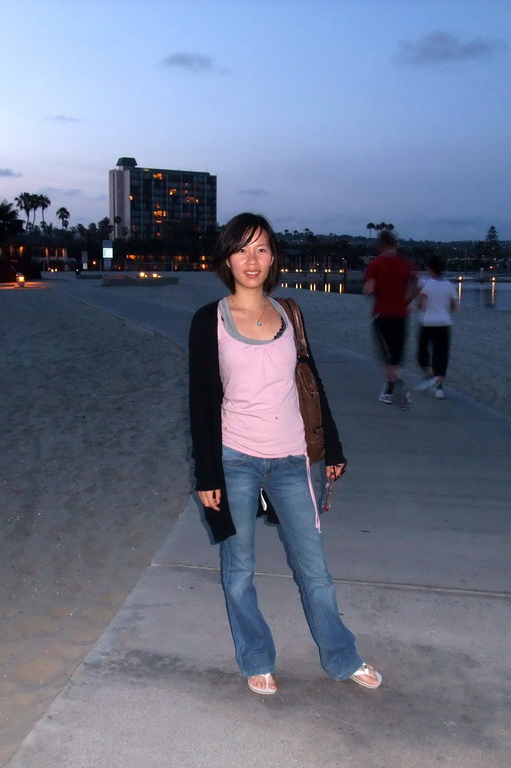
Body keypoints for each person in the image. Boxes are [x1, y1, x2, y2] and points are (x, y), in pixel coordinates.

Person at [188, 212, 381, 695]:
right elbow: (202, 402)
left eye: (261, 249)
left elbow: (311, 387)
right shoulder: (208, 320)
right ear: (226, 257)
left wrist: (331, 446)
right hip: (235, 459)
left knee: (314, 570)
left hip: (294, 460)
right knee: (239, 570)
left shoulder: (290, 314)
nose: (251, 260)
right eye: (242, 249)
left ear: (273, 257)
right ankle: (256, 657)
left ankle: (342, 656)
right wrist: (207, 474)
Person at [363, 229, 416, 403]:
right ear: (395, 243)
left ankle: (390, 385)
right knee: (396, 350)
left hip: (382, 313)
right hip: (401, 313)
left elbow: (369, 289)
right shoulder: (406, 264)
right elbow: (417, 284)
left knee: (384, 350)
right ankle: (394, 380)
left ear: (381, 245)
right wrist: (407, 301)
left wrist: (370, 291)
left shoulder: (376, 264)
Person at [415, 255, 460, 399]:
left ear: (430, 268)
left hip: (427, 323)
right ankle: (439, 386)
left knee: (423, 352)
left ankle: (429, 375)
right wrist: (445, 310)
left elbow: (421, 306)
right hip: (444, 323)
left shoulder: (427, 285)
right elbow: (456, 307)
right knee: (441, 354)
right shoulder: (449, 285)